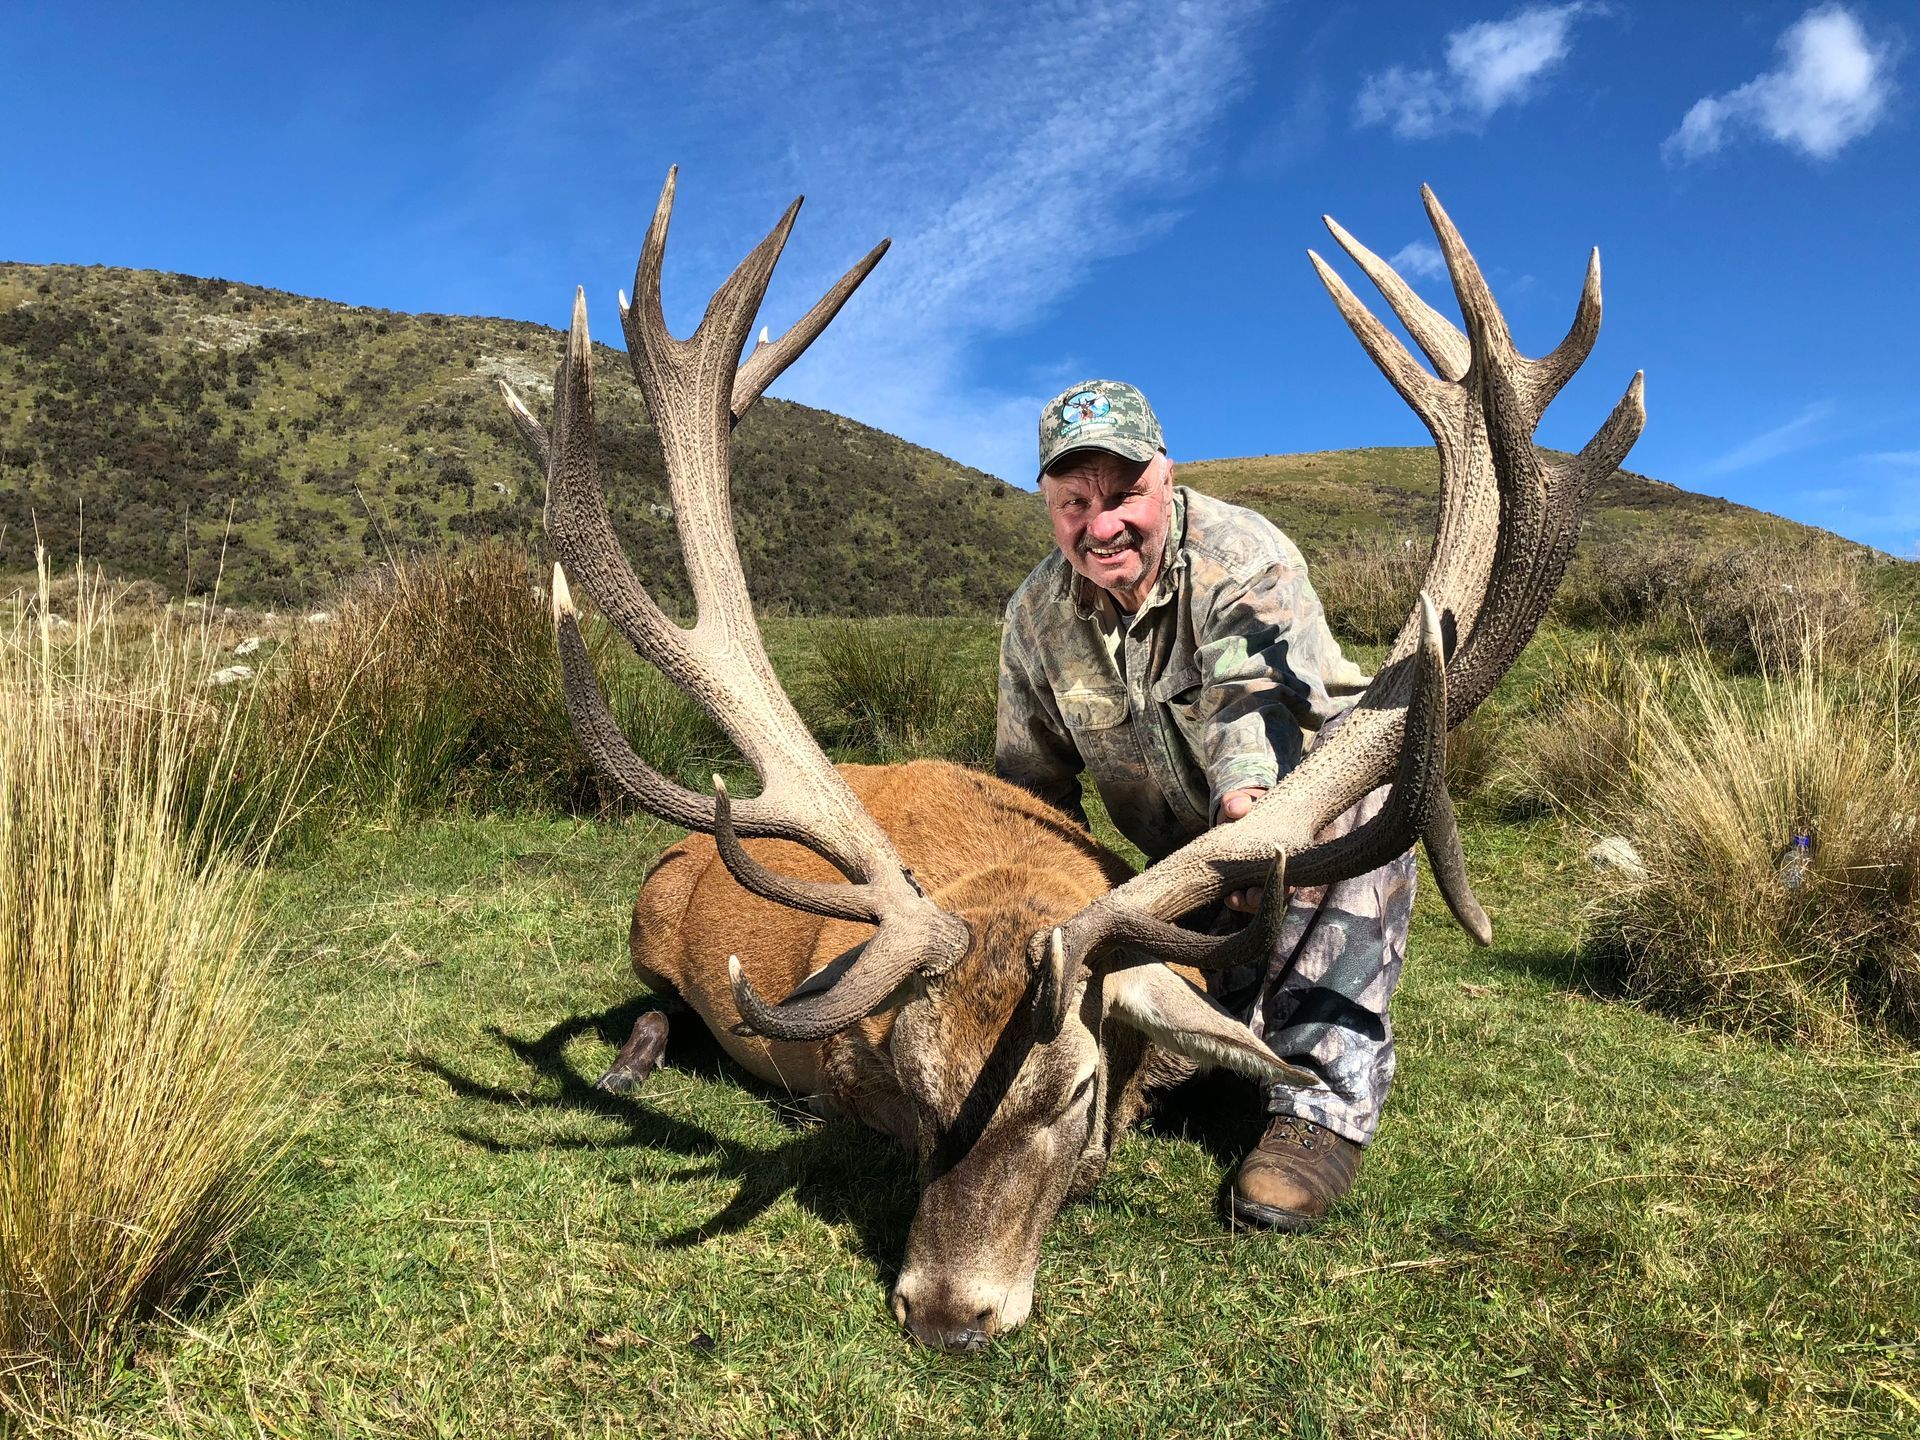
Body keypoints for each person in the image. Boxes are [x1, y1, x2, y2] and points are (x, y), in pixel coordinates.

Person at [995, 378, 1415, 1233]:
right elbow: (1029, 796)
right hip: (1183, 863)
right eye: (1075, 501)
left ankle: (1321, 1111)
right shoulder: (1036, 618)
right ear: (1048, 503)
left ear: (1166, 477)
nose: (1100, 524)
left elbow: (1247, 711)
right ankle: (1223, 1049)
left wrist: (1249, 822)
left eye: (1123, 496)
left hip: (1302, 822)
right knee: (1156, 1034)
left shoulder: (1243, 558)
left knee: (1350, 811)